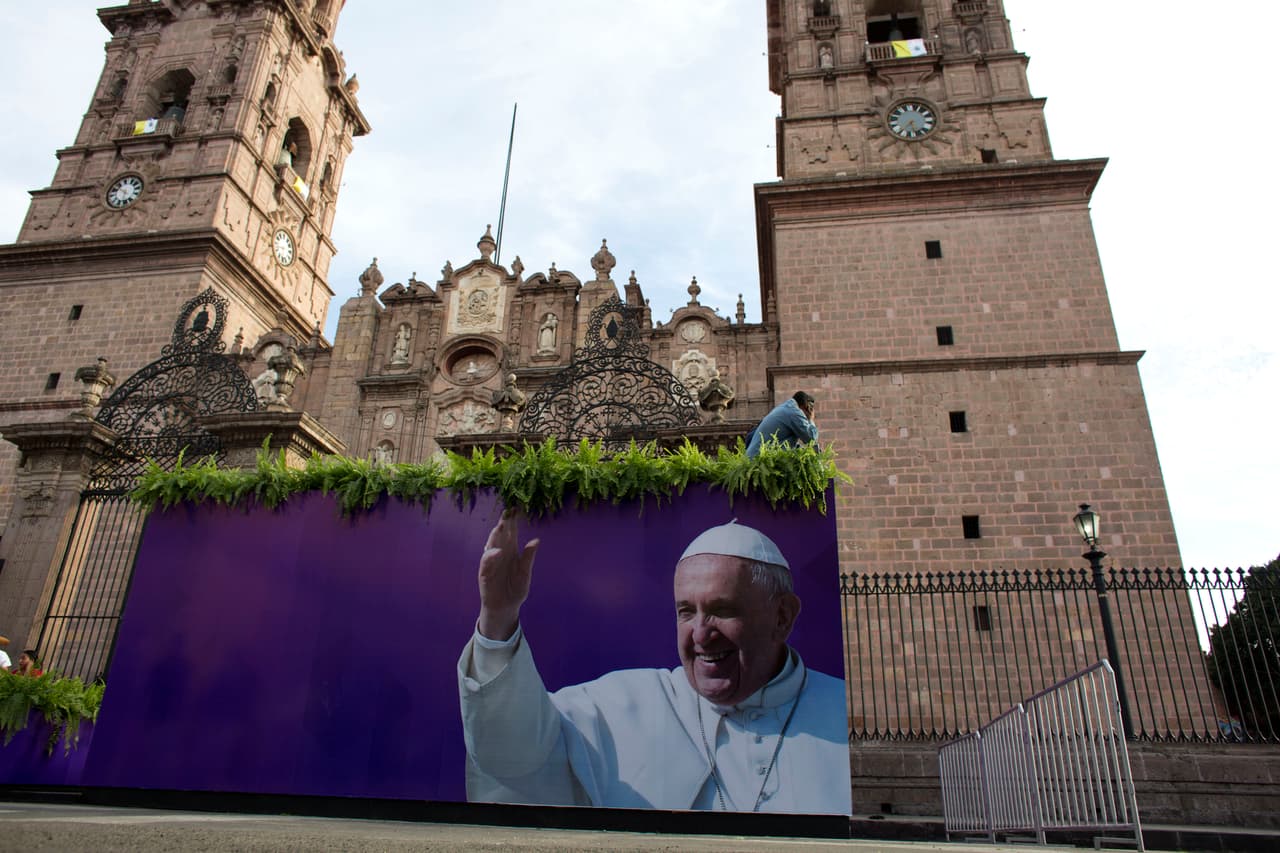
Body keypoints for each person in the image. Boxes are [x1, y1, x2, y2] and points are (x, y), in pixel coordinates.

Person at [457, 514, 850, 814]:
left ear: (782, 616)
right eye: (685, 612)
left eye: (722, 610)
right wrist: (498, 619)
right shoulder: (622, 705)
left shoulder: (843, 714)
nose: (700, 634)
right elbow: (515, 758)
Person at [745, 391, 818, 457]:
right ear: (804, 406)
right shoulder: (794, 412)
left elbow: (786, 443)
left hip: (755, 458)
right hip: (761, 460)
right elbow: (811, 439)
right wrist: (810, 419)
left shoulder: (784, 408)